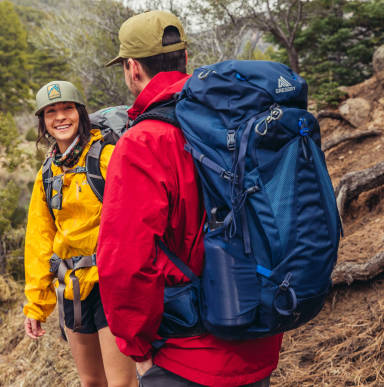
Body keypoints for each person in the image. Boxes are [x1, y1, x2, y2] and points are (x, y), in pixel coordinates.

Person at [97, 11, 283, 387]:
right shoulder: (241, 118)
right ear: (185, 58)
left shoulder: (143, 141)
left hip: (185, 357)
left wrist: (137, 348)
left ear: (133, 69)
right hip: (258, 336)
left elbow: (126, 263)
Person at [23, 80, 137, 387]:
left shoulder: (107, 157)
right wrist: (36, 304)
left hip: (111, 285)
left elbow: (137, 218)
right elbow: (39, 240)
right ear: (43, 122)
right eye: (51, 112)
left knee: (122, 383)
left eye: (67, 108)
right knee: (90, 382)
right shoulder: (48, 172)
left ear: (80, 113)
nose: (60, 117)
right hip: (72, 289)